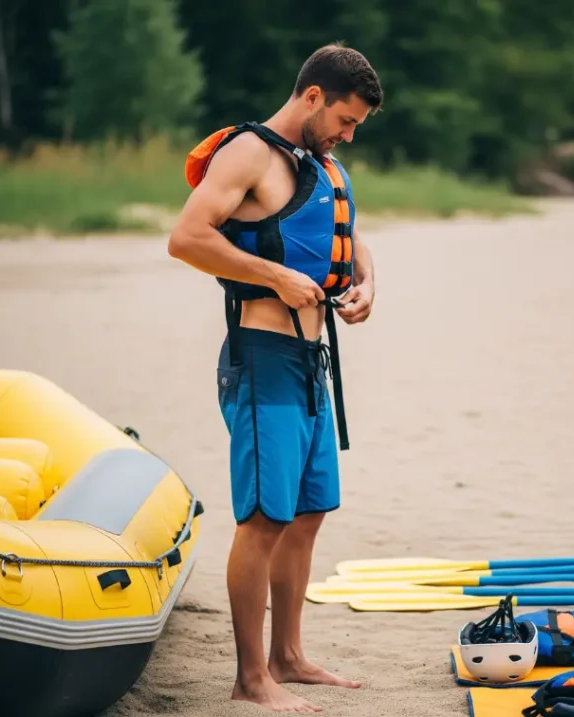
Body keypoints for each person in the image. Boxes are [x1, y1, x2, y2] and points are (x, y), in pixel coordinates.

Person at [167, 43, 383, 713]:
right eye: (345, 120)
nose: (349, 135)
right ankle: (249, 675)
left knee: (310, 511)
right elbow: (186, 237)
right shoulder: (249, 154)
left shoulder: (320, 164)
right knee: (264, 517)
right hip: (261, 358)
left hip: (310, 360)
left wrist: (368, 282)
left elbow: (346, 233)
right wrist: (276, 275)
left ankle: (288, 656)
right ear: (312, 96)